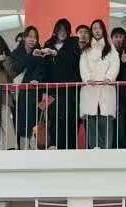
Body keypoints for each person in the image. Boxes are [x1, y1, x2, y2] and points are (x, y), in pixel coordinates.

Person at [79, 19, 120, 149]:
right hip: (90, 90)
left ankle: (106, 151)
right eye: (94, 28)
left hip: (106, 89)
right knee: (91, 122)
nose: (97, 31)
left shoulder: (111, 48)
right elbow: (83, 66)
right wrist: (87, 78)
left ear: (103, 30)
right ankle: (93, 151)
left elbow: (115, 64)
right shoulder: (86, 50)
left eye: (99, 28)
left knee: (105, 121)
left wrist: (109, 77)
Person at [43, 19, 81, 150]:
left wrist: (57, 54)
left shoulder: (74, 43)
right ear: (55, 30)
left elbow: (75, 62)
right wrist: (45, 91)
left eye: (65, 30)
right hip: (53, 91)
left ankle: (70, 151)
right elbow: (44, 69)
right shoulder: (48, 44)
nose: (62, 32)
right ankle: (54, 148)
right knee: (53, 120)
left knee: (71, 121)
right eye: (60, 29)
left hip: (71, 91)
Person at [10, 26, 45, 150]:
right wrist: (31, 56)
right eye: (30, 36)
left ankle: (35, 148)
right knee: (21, 121)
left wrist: (37, 79)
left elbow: (42, 70)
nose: (32, 39)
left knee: (36, 119)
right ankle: (23, 148)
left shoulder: (41, 52)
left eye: (35, 37)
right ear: (24, 38)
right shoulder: (16, 53)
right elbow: (16, 68)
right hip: (20, 92)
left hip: (35, 92)